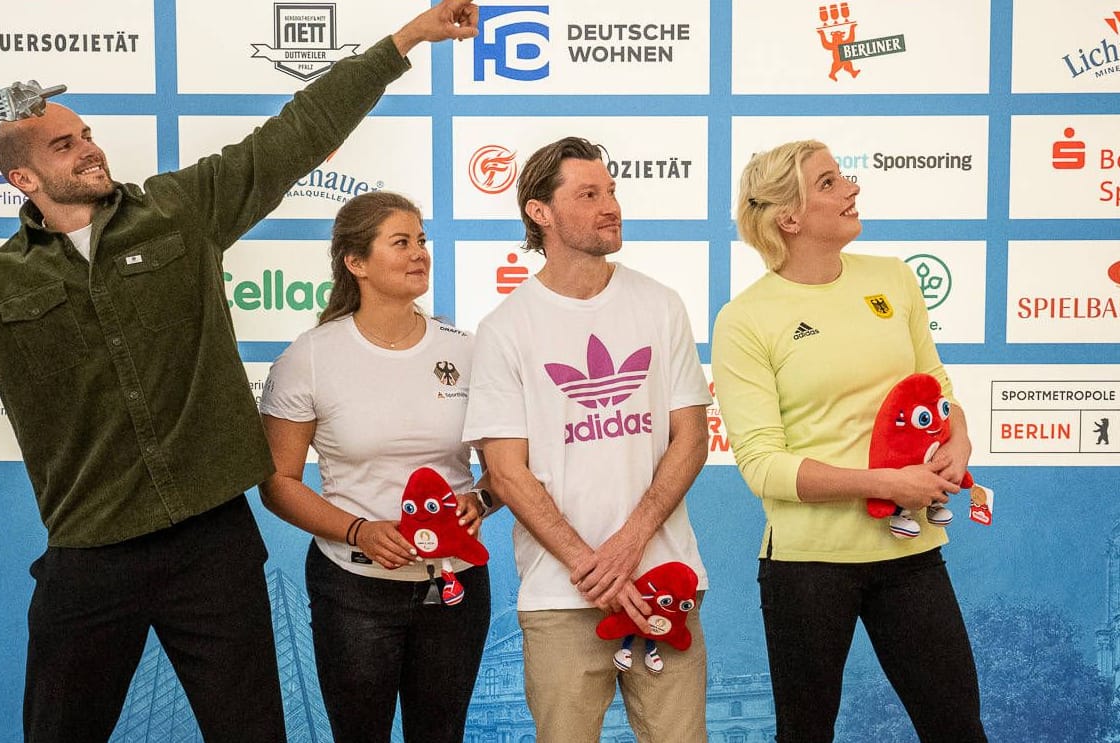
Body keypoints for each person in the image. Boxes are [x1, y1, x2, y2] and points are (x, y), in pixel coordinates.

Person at [0, 4, 478, 741]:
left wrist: (404, 40)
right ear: (23, 175)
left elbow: (298, 134)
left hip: (212, 547)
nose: (89, 149)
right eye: (65, 144)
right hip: (90, 554)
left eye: (88, 133)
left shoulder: (180, 211)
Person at [711, 139, 987, 742]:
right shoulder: (745, 319)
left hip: (909, 553)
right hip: (807, 566)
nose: (852, 189)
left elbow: (935, 387)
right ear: (789, 216)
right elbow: (763, 466)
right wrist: (886, 483)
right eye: (831, 182)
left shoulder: (893, 278)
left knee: (958, 728)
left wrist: (959, 440)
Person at [461, 137, 711, 742]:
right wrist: (588, 566)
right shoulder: (504, 329)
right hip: (558, 595)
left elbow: (692, 437)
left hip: (666, 583)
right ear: (539, 212)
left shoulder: (661, 304)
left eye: (612, 191)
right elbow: (506, 471)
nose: (611, 206)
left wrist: (628, 544)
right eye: (589, 194)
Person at [259, 191, 492, 743]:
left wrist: (481, 500)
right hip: (353, 589)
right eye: (401, 242)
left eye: (422, 241)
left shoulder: (469, 350)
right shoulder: (310, 357)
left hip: (455, 588)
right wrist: (359, 530)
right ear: (355, 263)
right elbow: (277, 482)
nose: (419, 254)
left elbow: (508, 467)